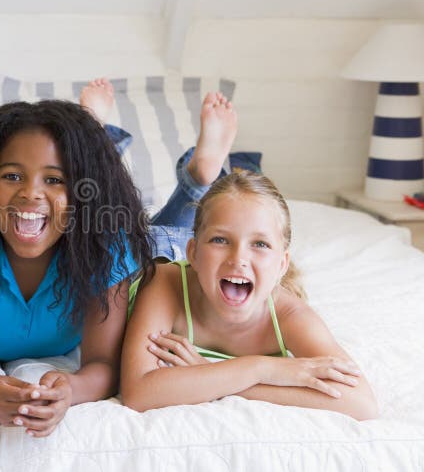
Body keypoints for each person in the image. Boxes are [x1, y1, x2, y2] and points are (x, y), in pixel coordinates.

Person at [0, 99, 156, 437]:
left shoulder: (107, 249)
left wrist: (70, 391)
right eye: (12, 176)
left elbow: (104, 364)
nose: (30, 193)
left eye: (55, 180)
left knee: (166, 235)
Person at [120, 170, 379, 419]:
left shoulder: (290, 315)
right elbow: (139, 392)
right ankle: (198, 177)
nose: (239, 259)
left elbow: (362, 403)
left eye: (260, 244)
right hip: (157, 252)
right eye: (220, 240)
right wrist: (262, 368)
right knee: (135, 234)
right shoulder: (165, 281)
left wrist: (212, 373)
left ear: (282, 264)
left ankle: (210, 174)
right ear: (194, 253)